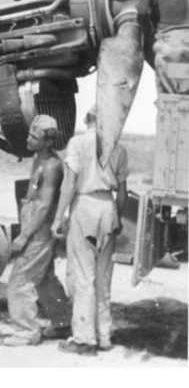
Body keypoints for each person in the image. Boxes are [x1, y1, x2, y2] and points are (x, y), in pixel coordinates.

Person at [51, 105, 128, 355]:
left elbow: (69, 184)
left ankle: (84, 339)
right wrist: (116, 216)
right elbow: (124, 192)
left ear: (87, 120)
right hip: (108, 205)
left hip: (85, 205)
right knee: (103, 276)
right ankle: (104, 336)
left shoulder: (78, 143)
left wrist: (58, 217)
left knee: (83, 275)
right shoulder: (118, 147)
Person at [4, 115, 71, 346]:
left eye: (35, 137)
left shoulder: (52, 165)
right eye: (30, 134)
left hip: (39, 229)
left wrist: (24, 235)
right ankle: (63, 324)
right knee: (44, 278)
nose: (28, 139)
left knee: (20, 280)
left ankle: (27, 331)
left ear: (48, 141)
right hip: (33, 222)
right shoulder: (38, 157)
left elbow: (44, 205)